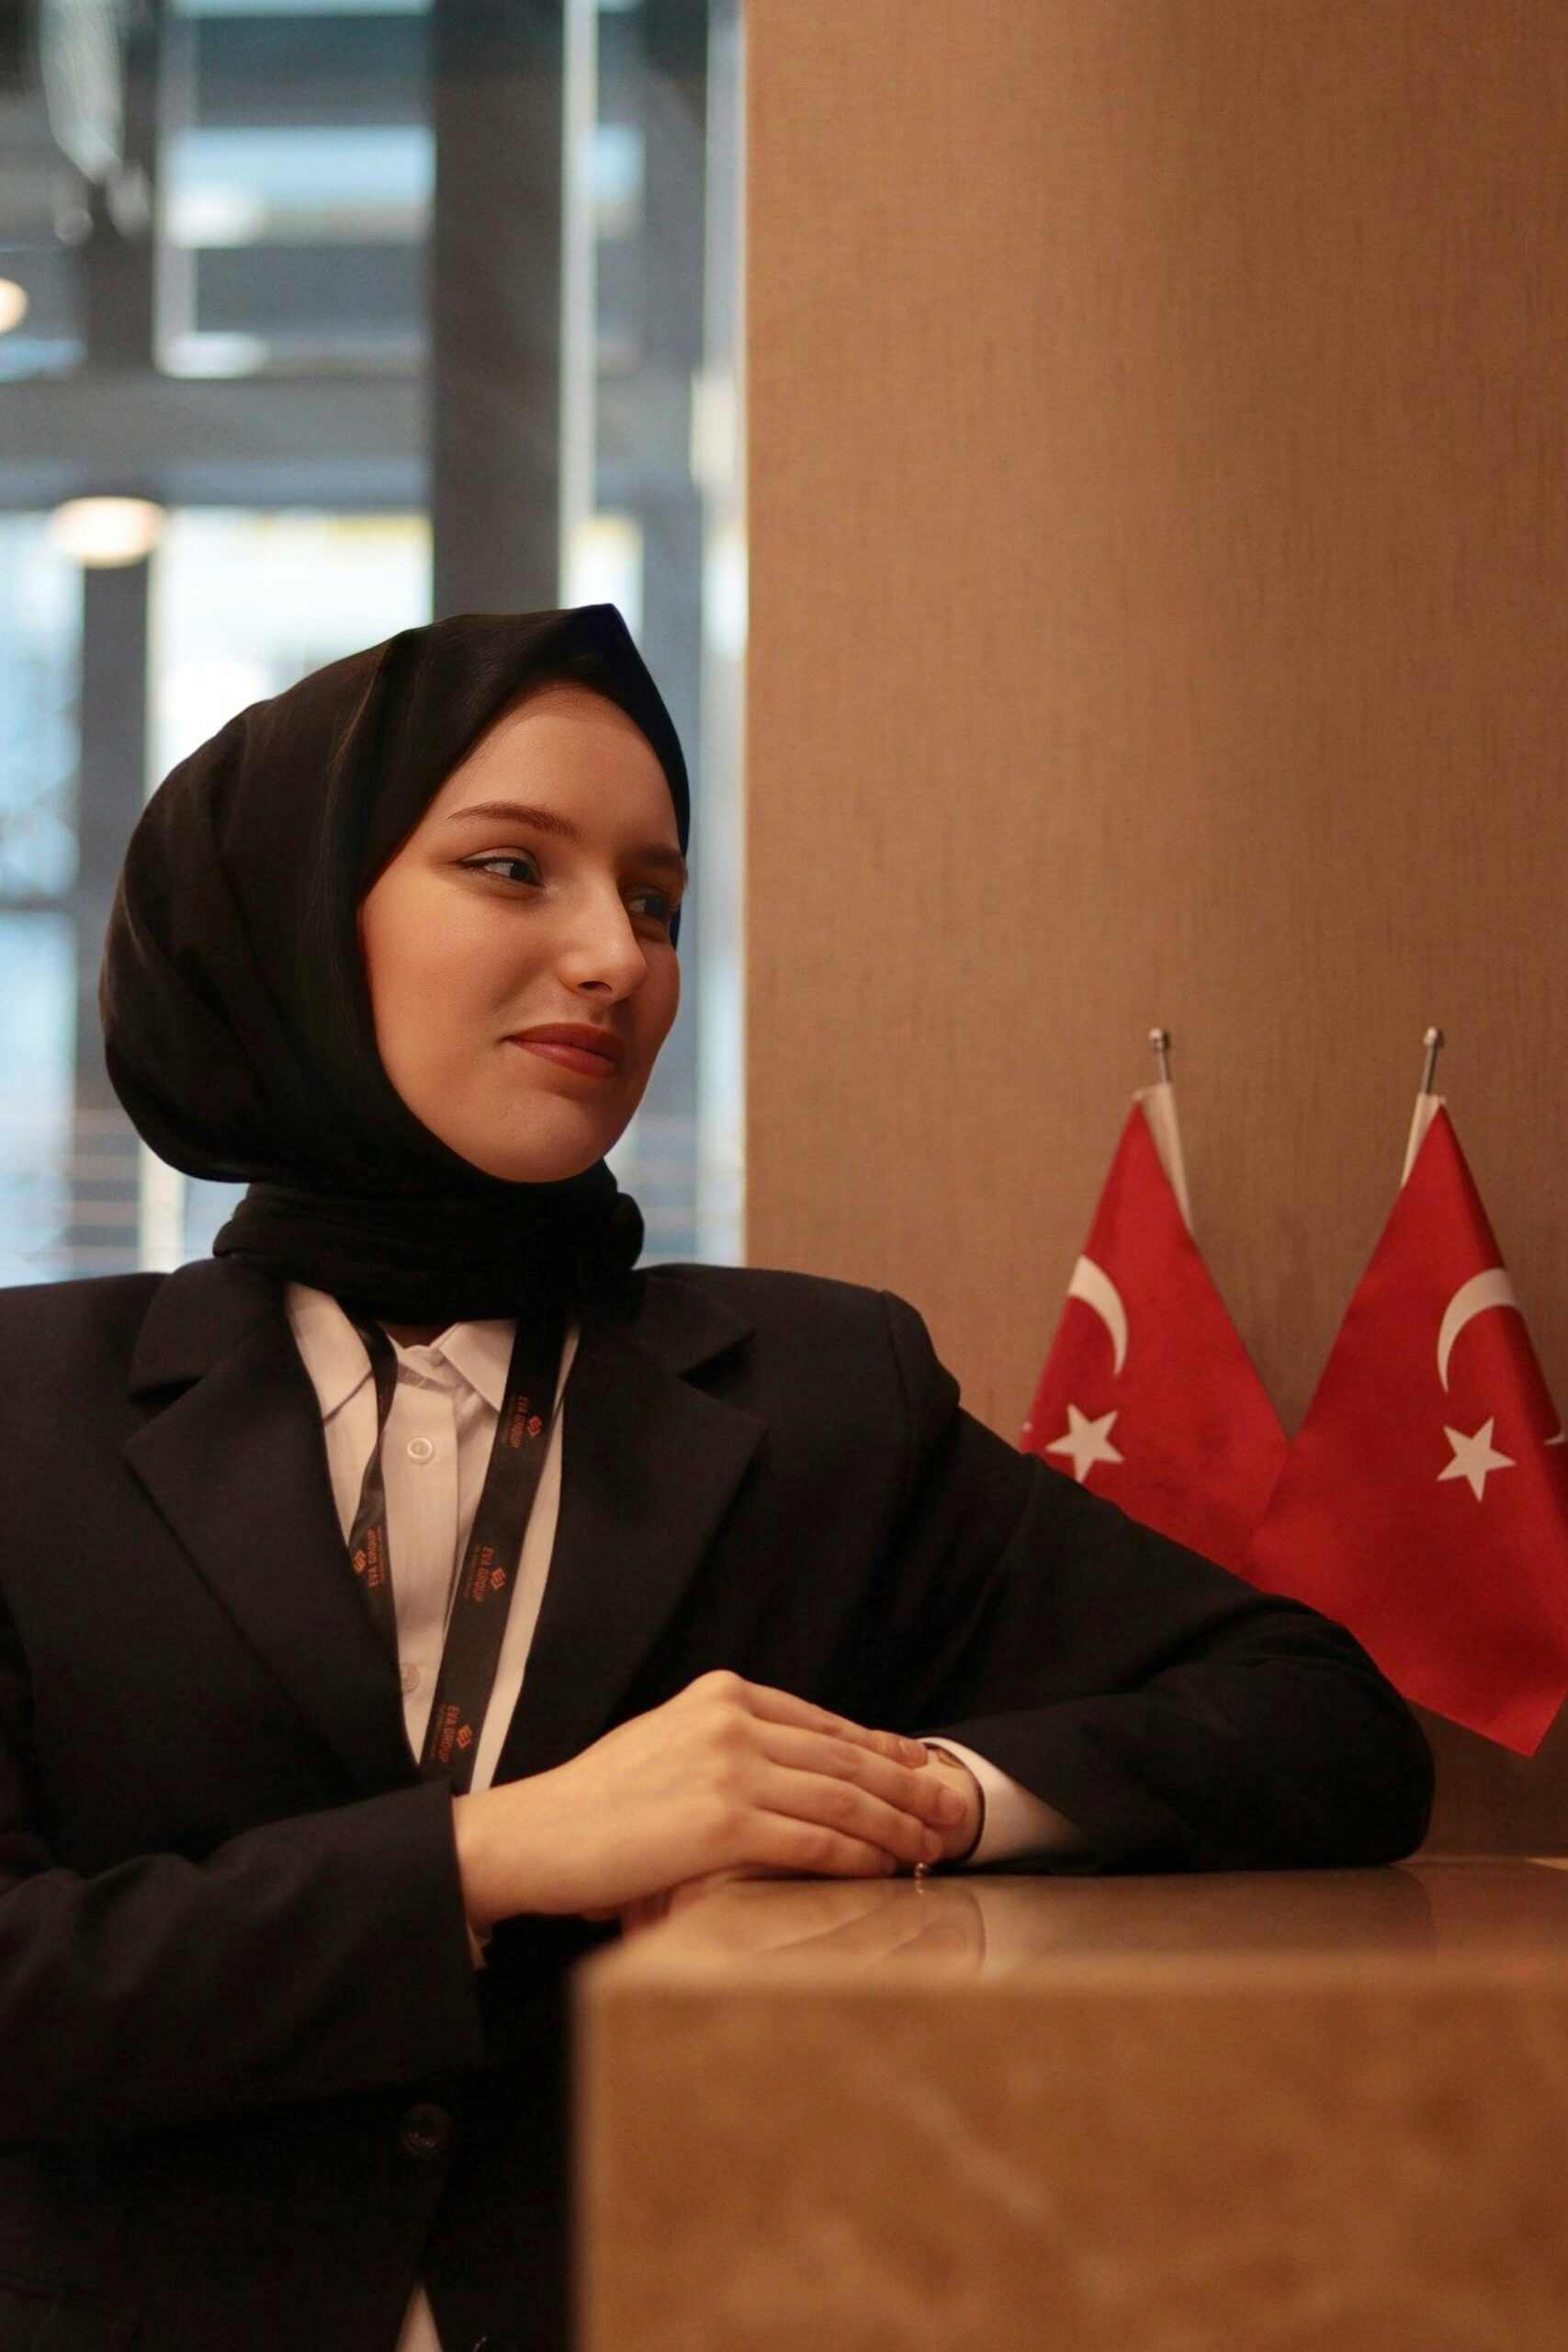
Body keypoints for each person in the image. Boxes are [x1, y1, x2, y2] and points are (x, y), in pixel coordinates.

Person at [0, 605, 1432, 2352]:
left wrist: (893, 1798)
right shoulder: (25, 1410)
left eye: (658, 900)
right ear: (300, 921)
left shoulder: (824, 1390)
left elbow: (1325, 1726)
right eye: (514, 866)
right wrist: (492, 1855)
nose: (617, 954)